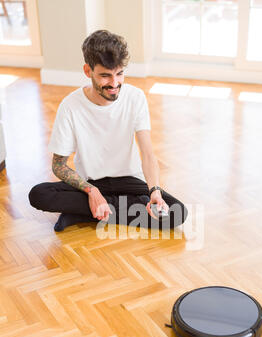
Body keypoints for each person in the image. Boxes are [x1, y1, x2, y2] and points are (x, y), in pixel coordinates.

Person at [29, 30, 188, 232]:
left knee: (178, 212)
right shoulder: (70, 106)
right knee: (39, 194)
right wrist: (91, 191)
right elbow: (58, 165)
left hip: (130, 181)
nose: (114, 84)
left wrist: (155, 190)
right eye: (105, 75)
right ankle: (99, 206)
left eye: (119, 74)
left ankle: (84, 213)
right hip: (92, 182)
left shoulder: (135, 97)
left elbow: (148, 154)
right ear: (88, 71)